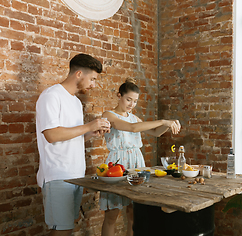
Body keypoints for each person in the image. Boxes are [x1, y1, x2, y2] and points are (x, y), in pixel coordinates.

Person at [36, 53, 111, 236]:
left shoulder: (76, 102)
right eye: (92, 79)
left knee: (67, 229)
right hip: (58, 175)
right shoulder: (51, 96)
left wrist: (89, 134)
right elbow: (52, 135)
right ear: (78, 74)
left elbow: (67, 136)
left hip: (76, 174)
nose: (93, 84)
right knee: (61, 231)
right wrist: (88, 126)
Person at [100, 78, 181, 236]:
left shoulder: (134, 117)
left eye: (135, 101)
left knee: (133, 213)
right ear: (119, 96)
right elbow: (132, 128)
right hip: (117, 163)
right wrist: (164, 120)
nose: (131, 104)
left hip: (136, 163)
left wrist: (168, 125)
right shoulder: (109, 115)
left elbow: (155, 133)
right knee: (112, 214)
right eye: (128, 99)